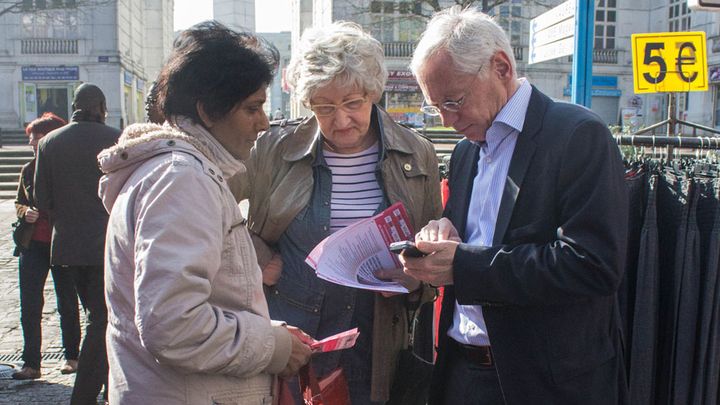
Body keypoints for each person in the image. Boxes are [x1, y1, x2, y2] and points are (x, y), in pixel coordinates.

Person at [401, 7, 629, 405]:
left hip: (543, 383)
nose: (447, 119)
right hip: (461, 371)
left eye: (453, 101)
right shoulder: (464, 152)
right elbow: (469, 237)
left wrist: (464, 264)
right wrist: (442, 235)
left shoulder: (578, 135)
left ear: (501, 67)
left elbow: (592, 265)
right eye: (435, 107)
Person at [97, 21, 312, 404]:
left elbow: (201, 302)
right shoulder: (182, 180)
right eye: (252, 108)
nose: (264, 123)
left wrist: (268, 331)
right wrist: (272, 346)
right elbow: (174, 326)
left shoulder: (182, 172)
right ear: (208, 111)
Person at [229, 21, 442, 404]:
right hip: (291, 342)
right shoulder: (274, 149)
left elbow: (432, 259)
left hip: (375, 342)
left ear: (374, 93)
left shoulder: (416, 154)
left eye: (353, 104)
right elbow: (212, 210)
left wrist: (415, 280)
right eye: (324, 108)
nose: (341, 121)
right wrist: (255, 252)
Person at [34, 84, 121, 405]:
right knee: (103, 319)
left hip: (68, 248)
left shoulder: (49, 142)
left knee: (97, 316)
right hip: (109, 245)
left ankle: (112, 390)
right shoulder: (115, 138)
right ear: (101, 105)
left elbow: (41, 198)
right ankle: (86, 396)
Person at [12, 112, 80, 381]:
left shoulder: (68, 170)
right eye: (31, 140)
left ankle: (72, 356)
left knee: (67, 302)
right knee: (29, 304)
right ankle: (31, 363)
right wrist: (24, 211)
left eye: (38, 140)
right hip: (33, 244)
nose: (33, 145)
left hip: (62, 243)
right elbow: (19, 201)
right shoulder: (28, 169)